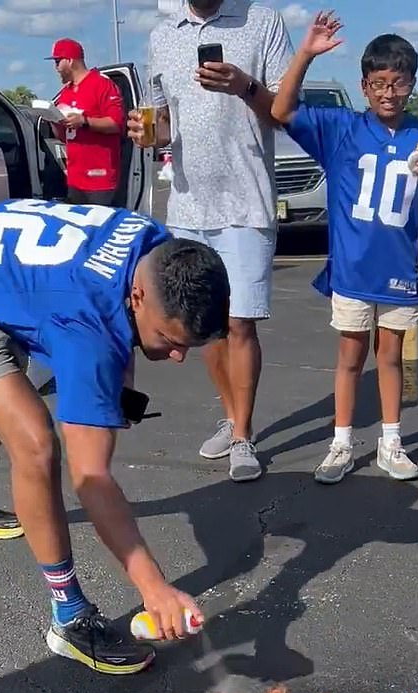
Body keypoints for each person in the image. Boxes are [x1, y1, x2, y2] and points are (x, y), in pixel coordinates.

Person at [0, 199, 230, 673]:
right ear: (138, 296)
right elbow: (92, 478)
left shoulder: (155, 245)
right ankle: (69, 617)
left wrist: (124, 385)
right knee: (34, 440)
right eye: (172, 341)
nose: (178, 358)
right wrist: (153, 588)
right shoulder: (87, 331)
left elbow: (122, 326)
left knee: (6, 403)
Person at [271, 13, 418, 484]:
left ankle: (392, 440)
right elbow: (282, 110)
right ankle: (341, 441)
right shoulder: (342, 127)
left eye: (398, 83)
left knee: (390, 358)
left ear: (411, 84)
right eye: (378, 84)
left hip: (399, 269)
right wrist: (305, 53)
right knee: (350, 358)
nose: (388, 93)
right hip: (352, 268)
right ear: (364, 86)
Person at [128, 0, 293, 482]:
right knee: (210, 325)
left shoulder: (261, 21)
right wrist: (148, 133)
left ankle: (244, 436)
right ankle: (231, 417)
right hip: (187, 204)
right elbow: (163, 121)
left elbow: (284, 112)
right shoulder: (163, 35)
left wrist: (243, 86)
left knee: (241, 324)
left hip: (246, 203)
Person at [48, 38, 125, 206]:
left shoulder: (102, 85)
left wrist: (84, 121)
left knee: (98, 227)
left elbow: (116, 123)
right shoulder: (65, 93)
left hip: (99, 179)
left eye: (57, 62)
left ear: (69, 60)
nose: (56, 68)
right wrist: (55, 122)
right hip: (75, 179)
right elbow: (63, 137)